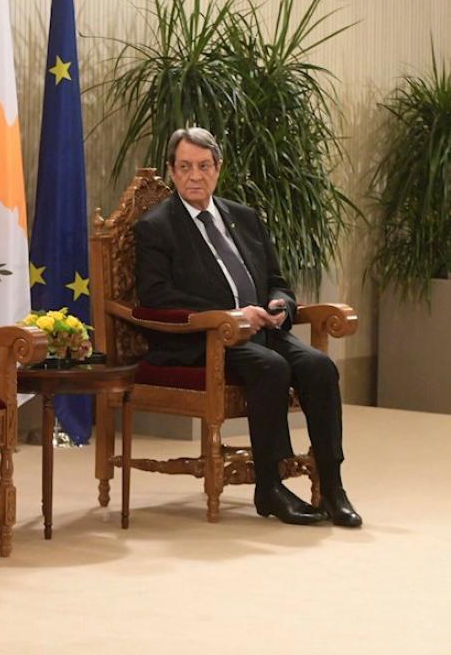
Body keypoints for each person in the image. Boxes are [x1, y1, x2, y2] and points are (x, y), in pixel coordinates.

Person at [134, 127, 361, 528]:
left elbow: (277, 279)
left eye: (204, 166)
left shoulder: (243, 217)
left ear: (218, 169)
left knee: (318, 366)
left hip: (263, 330)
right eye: (185, 167)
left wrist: (279, 304)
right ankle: (270, 486)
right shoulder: (158, 227)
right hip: (203, 339)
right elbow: (156, 297)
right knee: (271, 366)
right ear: (171, 171)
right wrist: (233, 315)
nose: (195, 176)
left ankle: (332, 484)